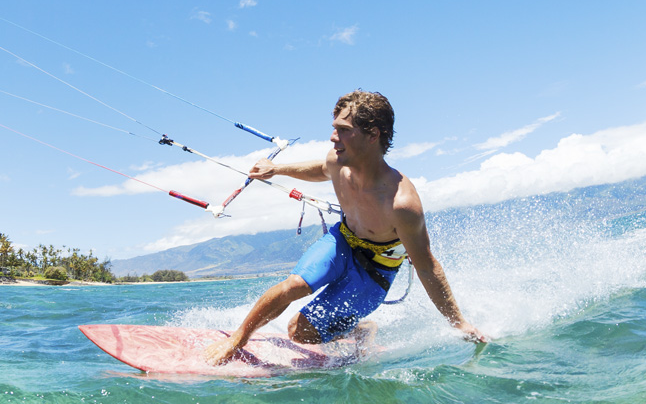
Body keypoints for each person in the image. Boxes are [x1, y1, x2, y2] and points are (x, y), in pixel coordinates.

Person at [204, 90, 486, 365]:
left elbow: (426, 266)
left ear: (373, 135)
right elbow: (320, 169)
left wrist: (459, 322)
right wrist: (277, 169)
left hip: (374, 271)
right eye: (334, 128)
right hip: (342, 241)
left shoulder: (401, 203)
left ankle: (363, 329)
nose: (332, 136)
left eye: (343, 129)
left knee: (298, 332)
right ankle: (237, 339)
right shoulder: (337, 162)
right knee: (294, 285)